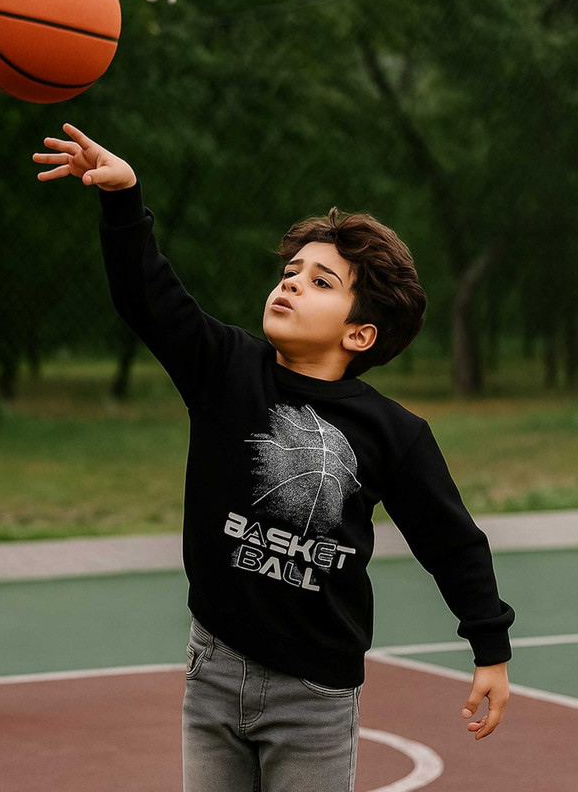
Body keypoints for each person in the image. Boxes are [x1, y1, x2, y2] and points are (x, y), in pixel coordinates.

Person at [33, 123, 515, 792]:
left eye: (320, 281)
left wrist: (490, 647)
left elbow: (452, 542)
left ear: (360, 333)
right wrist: (123, 199)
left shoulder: (393, 433)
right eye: (289, 274)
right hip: (213, 667)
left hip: (314, 692)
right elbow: (149, 297)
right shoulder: (226, 370)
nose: (289, 285)